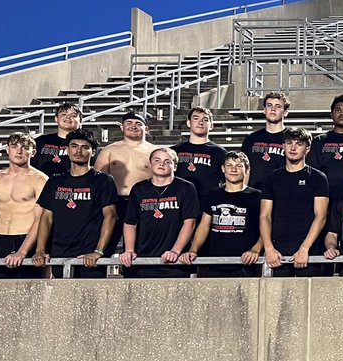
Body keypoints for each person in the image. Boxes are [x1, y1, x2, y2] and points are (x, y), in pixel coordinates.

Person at [29, 129, 118, 279]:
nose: (79, 151)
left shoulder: (103, 180)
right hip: (60, 253)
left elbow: (111, 216)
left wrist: (99, 251)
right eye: (74, 146)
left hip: (89, 256)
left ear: (93, 152)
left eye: (85, 147)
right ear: (67, 150)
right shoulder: (55, 180)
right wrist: (40, 250)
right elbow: (46, 217)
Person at [0, 133, 48, 278]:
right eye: (14, 147)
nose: (19, 151)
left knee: (28, 294)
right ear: (7, 149)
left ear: (33, 152)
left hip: (27, 240)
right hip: (0, 240)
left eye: (25, 148)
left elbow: (40, 219)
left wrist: (22, 252)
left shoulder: (40, 180)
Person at [118, 147, 201, 278]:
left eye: (168, 161)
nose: (161, 164)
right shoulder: (139, 189)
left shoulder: (186, 188)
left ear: (175, 167)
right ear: (150, 164)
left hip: (174, 262)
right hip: (141, 260)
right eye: (157, 160)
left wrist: (175, 251)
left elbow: (189, 222)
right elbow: (130, 223)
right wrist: (129, 250)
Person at [259, 128, 330, 277]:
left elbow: (321, 216)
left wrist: (305, 248)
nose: (293, 148)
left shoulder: (317, 178)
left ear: (307, 149)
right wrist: (269, 248)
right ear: (283, 146)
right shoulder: (271, 178)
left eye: (299, 144)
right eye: (289, 143)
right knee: (277, 299)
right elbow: (265, 216)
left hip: (309, 252)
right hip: (277, 254)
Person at [180, 151, 262, 278]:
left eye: (239, 166)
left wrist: (256, 249)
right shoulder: (212, 194)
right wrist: (193, 249)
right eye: (229, 165)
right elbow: (204, 226)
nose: (233, 169)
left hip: (245, 262)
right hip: (215, 261)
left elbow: (266, 227)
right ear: (223, 169)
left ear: (247, 170)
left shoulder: (257, 196)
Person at [95, 111, 156, 241]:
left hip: (144, 202)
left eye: (138, 123)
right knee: (108, 242)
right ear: (122, 127)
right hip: (115, 202)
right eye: (128, 123)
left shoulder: (154, 152)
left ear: (146, 129)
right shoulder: (109, 150)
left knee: (140, 243)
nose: (133, 126)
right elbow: (97, 179)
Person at [172, 107, 227, 196]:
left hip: (207, 204)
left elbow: (226, 182)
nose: (200, 122)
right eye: (196, 118)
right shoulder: (175, 150)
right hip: (180, 203)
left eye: (205, 120)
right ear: (188, 123)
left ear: (211, 125)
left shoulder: (219, 152)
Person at [241, 91, 289, 188]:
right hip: (255, 194)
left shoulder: (291, 139)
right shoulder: (251, 139)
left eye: (278, 106)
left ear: (285, 112)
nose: (273, 109)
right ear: (264, 110)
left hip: (281, 193)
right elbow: (245, 170)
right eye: (269, 105)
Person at [33, 103, 83, 176]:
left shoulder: (86, 144)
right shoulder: (40, 141)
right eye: (63, 114)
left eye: (73, 115)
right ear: (56, 119)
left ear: (80, 121)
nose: (68, 117)